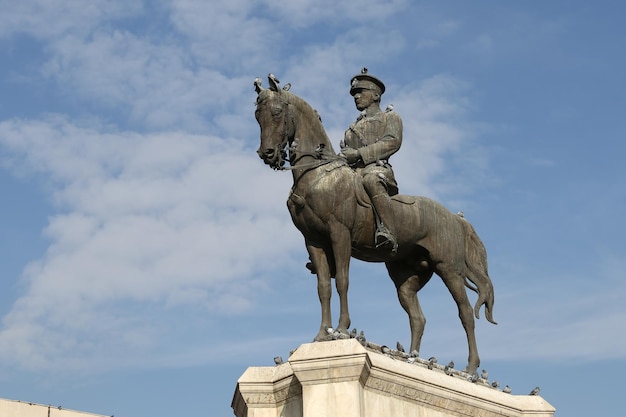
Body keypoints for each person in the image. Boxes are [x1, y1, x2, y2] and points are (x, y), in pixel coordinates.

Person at [340, 68, 403, 252]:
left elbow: (392, 142)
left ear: (375, 95)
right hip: (353, 172)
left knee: (371, 179)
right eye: (354, 94)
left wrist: (360, 155)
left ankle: (388, 230)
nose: (356, 96)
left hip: (377, 169)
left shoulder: (389, 117)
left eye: (361, 92)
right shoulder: (351, 128)